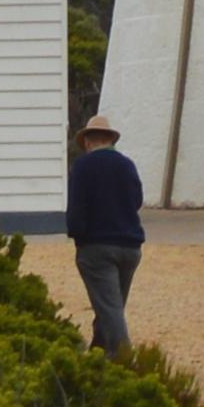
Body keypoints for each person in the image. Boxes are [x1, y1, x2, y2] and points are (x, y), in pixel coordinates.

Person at [66, 116, 145, 353]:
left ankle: (125, 360)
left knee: (109, 308)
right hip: (131, 248)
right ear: (111, 140)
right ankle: (99, 354)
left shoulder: (82, 167)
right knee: (111, 306)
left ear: (88, 142)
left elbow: (76, 210)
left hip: (97, 248)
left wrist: (78, 236)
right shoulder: (127, 165)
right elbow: (137, 200)